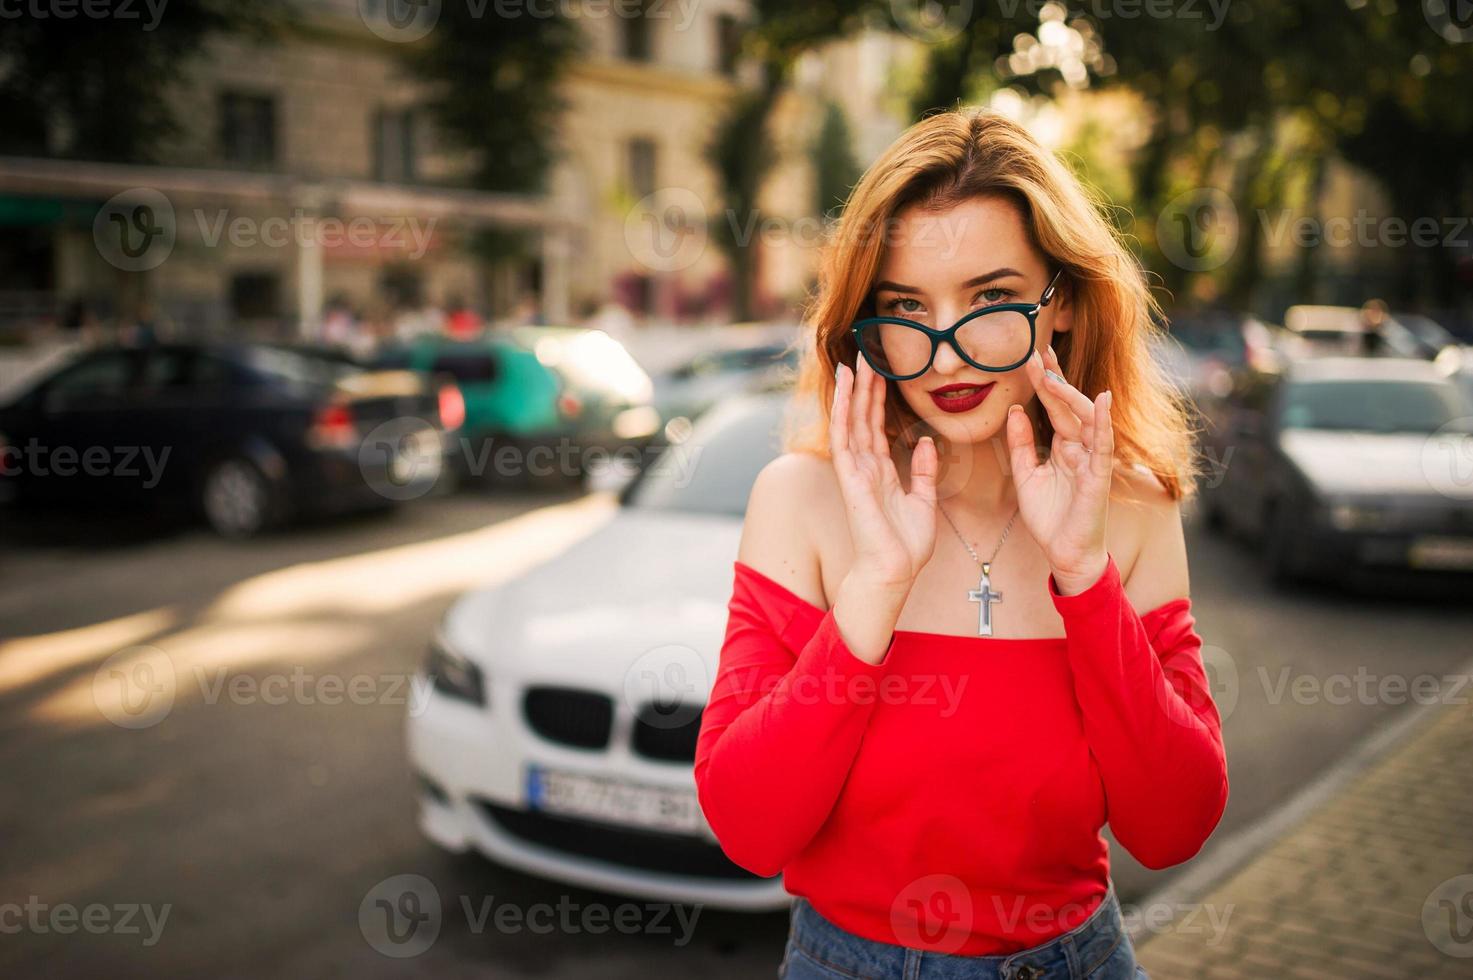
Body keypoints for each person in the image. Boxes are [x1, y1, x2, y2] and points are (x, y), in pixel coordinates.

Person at [693, 109, 1228, 979]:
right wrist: (877, 582)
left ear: (1063, 306)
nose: (944, 356)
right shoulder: (801, 501)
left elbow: (1172, 828)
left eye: (988, 299)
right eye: (906, 306)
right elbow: (750, 830)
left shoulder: (1128, 509)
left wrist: (1081, 577)